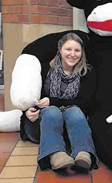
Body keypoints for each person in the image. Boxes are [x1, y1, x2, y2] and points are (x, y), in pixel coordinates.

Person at [20, 32, 98, 171]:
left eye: (77, 50)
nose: (72, 54)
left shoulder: (87, 73)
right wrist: (27, 111)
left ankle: (83, 153)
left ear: (82, 53)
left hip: (72, 129)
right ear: (60, 49)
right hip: (42, 125)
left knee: (74, 110)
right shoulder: (44, 70)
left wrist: (52, 101)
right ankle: (55, 154)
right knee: (52, 111)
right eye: (68, 49)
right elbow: (30, 97)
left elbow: (85, 102)